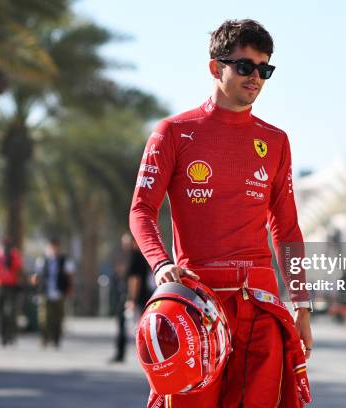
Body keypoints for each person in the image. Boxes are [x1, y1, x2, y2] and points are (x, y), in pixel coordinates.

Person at [129, 19, 313, 406]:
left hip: (261, 308)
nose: (256, 78)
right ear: (216, 68)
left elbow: (287, 229)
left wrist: (301, 304)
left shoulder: (276, 141)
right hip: (198, 308)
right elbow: (142, 211)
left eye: (265, 70)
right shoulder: (173, 132)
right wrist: (161, 265)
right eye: (245, 67)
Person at [110, 232, 153, 363]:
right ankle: (147, 355)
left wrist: (131, 299)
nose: (125, 246)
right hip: (142, 297)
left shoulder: (135, 257)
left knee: (131, 326)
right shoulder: (139, 257)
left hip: (136, 299)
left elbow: (135, 280)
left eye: (127, 243)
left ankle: (125, 354)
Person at [31, 238, 74, 349]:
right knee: (44, 318)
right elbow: (36, 275)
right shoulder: (42, 260)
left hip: (59, 292)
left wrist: (69, 288)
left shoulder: (64, 260)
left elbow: (69, 275)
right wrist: (34, 281)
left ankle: (56, 339)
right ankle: (44, 338)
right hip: (45, 292)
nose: (53, 250)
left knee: (57, 318)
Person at [0, 236, 23, 346]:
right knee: (0, 313)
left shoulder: (14, 254)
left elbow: (19, 269)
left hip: (11, 286)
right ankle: (2, 336)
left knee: (10, 312)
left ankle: (11, 335)